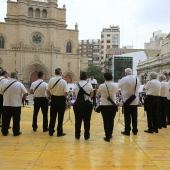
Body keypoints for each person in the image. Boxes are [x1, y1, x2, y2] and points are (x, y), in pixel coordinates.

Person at [1, 72, 28, 136]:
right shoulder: (19, 84)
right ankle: (16, 131)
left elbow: (1, 92)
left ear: (10, 76)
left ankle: (4, 131)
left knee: (5, 119)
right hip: (16, 104)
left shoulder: (5, 83)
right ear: (16, 77)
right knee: (16, 119)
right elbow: (25, 93)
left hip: (6, 104)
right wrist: (23, 98)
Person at [118, 68, 140, 136]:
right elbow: (138, 88)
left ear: (125, 73)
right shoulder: (137, 79)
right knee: (134, 116)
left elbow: (117, 86)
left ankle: (127, 130)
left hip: (126, 100)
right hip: (135, 100)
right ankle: (135, 130)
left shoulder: (124, 79)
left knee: (127, 116)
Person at [97, 72, 119, 142]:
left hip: (104, 105)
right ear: (111, 77)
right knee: (111, 120)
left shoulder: (102, 86)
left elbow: (98, 92)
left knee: (106, 121)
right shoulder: (115, 85)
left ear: (104, 78)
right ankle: (110, 134)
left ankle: (107, 136)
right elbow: (117, 92)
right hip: (113, 105)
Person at [47, 68, 68, 137]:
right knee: (60, 116)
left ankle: (51, 131)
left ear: (54, 72)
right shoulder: (63, 81)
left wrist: (51, 96)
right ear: (61, 73)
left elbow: (47, 90)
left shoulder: (51, 80)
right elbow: (66, 93)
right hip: (61, 99)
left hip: (53, 99)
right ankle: (59, 132)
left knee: (52, 116)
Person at [73, 72, 93, 140]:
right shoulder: (89, 85)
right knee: (87, 120)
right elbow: (91, 94)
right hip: (87, 105)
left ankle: (77, 135)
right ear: (86, 78)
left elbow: (74, 95)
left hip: (77, 104)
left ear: (80, 78)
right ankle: (86, 135)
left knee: (77, 120)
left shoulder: (76, 85)